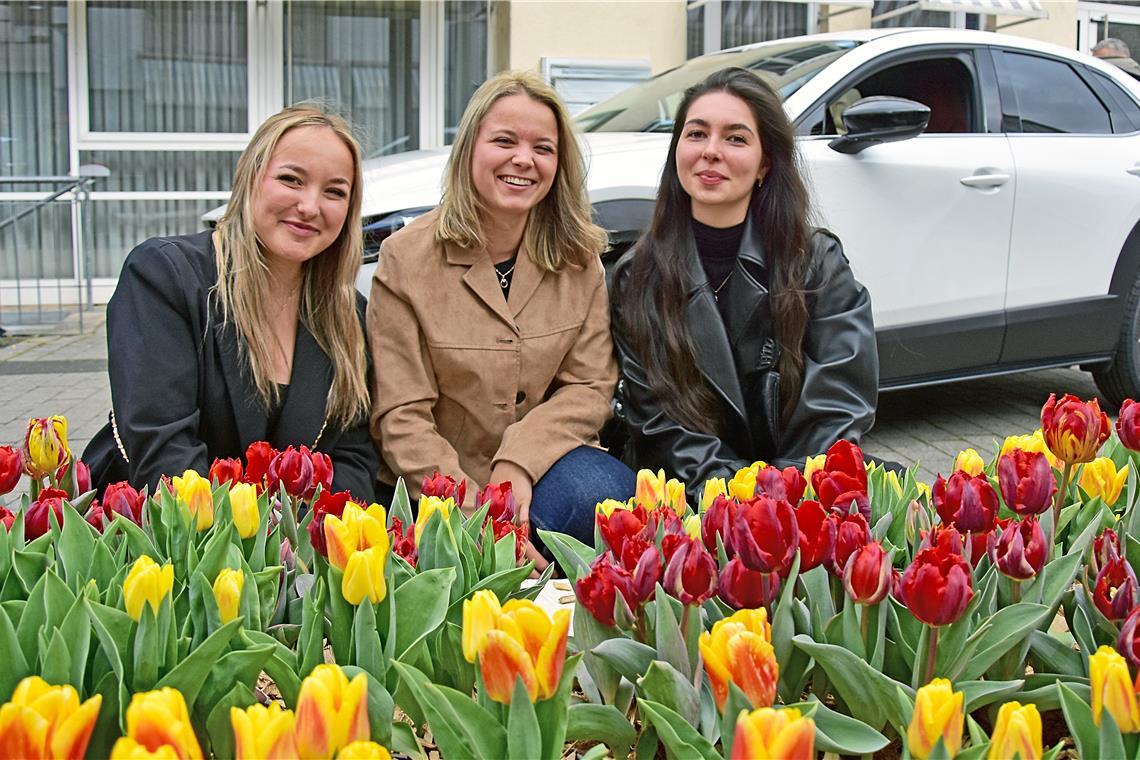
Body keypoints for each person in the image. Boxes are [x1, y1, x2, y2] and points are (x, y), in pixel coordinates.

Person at [368, 70, 633, 549]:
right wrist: (477, 518)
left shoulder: (579, 259)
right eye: (504, 140)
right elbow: (401, 414)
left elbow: (589, 388)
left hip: (544, 468)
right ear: (470, 147)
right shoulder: (405, 258)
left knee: (606, 494)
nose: (523, 160)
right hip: (441, 479)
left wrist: (519, 462)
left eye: (543, 148)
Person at [85, 105, 379, 500]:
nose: (310, 206)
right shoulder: (166, 276)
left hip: (297, 550)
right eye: (291, 180)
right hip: (160, 529)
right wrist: (245, 539)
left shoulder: (348, 315)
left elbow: (353, 459)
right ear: (250, 178)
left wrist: (310, 543)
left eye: (334, 192)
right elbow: (161, 450)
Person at [610, 67, 878, 497]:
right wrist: (739, 502)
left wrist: (779, 499)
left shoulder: (816, 263)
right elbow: (662, 428)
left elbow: (836, 410)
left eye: (735, 138)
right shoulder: (636, 277)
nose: (711, 151)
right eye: (696, 134)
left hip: (801, 498)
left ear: (764, 163)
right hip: (696, 495)